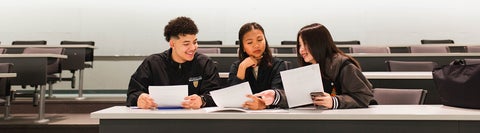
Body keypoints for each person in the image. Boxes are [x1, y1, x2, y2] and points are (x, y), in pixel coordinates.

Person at [126, 16, 222, 109]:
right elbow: (132, 94)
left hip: (195, 121)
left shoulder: (205, 64)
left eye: (195, 42)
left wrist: (202, 100)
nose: (193, 47)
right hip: (158, 120)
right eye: (186, 44)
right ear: (172, 44)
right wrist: (139, 99)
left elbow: (217, 96)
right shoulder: (152, 63)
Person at [296, 23, 376, 109]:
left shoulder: (344, 66)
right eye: (300, 45)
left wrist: (334, 101)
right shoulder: (308, 68)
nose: (301, 50)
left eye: (305, 44)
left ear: (318, 44)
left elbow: (363, 96)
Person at [228, 22, 288, 110]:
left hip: (271, 115)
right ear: (243, 47)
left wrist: (264, 104)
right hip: (243, 115)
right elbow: (232, 96)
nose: (256, 45)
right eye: (249, 42)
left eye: (260, 40)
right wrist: (242, 68)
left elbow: (278, 93)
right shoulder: (237, 66)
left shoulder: (278, 64)